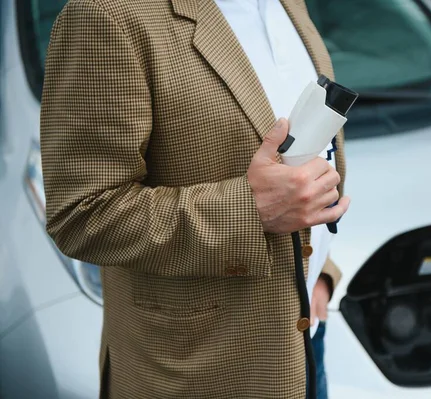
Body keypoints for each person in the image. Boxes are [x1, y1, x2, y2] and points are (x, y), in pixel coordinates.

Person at [39, 0, 350, 397]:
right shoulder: (106, 13)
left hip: (307, 347)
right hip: (202, 373)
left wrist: (321, 271)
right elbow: (81, 213)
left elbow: (307, 151)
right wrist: (249, 211)